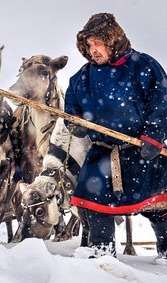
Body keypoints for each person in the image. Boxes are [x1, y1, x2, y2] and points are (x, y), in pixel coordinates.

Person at [64, 12, 167, 263]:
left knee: (158, 207)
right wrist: (74, 122)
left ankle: (166, 250)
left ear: (113, 40)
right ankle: (103, 252)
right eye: (89, 45)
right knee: (92, 201)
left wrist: (153, 137)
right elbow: (72, 105)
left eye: (98, 43)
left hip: (141, 150)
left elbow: (161, 101)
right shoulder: (84, 76)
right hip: (102, 151)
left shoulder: (143, 66)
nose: (93, 50)